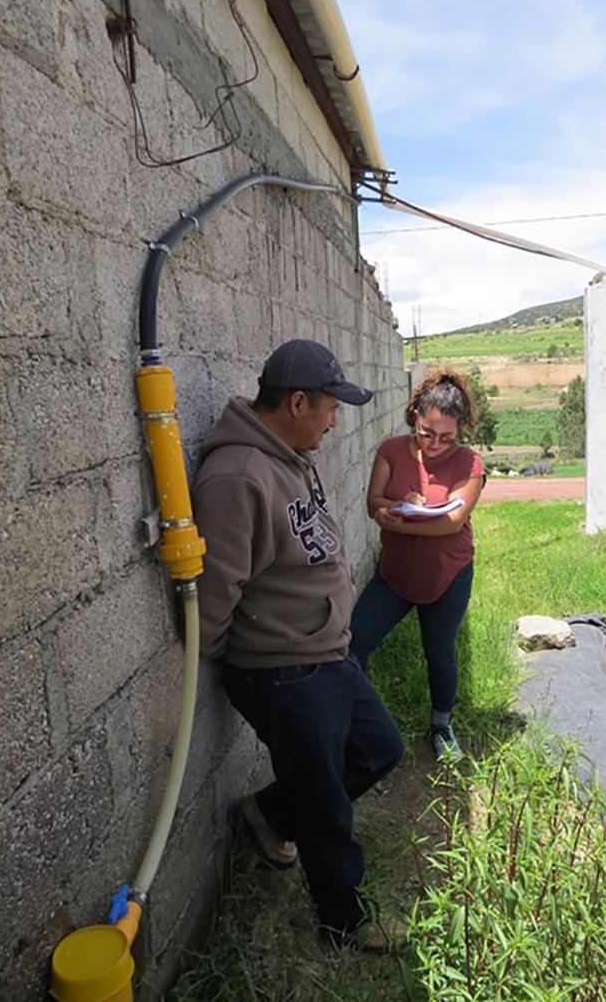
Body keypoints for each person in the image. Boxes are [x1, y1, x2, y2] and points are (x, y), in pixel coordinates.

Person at [192, 339, 405, 950]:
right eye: (330, 408)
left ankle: (270, 814)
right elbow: (216, 587)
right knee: (328, 811)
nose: (336, 420)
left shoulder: (289, 453)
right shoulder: (237, 476)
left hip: (325, 652)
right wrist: (231, 655)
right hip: (283, 669)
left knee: (380, 748)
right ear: (298, 401)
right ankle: (346, 924)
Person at [349, 370, 485, 761]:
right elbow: (373, 501)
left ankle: (442, 725)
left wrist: (403, 521)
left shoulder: (469, 462)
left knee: (439, 651)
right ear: (414, 416)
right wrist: (389, 509)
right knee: (354, 643)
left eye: (447, 437)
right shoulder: (390, 451)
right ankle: (359, 721)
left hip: (448, 574)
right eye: (427, 433)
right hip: (394, 575)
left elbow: (453, 522)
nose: (437, 444)